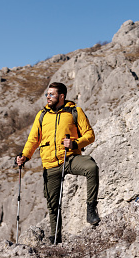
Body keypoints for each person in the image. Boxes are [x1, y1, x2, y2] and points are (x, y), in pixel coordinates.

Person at [16, 82, 100, 244]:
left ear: (61, 96)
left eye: (52, 94)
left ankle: (91, 209)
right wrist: (24, 156)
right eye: (47, 94)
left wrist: (75, 144)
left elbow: (90, 135)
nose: (48, 97)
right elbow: (33, 139)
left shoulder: (75, 111)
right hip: (50, 163)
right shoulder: (42, 115)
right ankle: (56, 238)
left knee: (91, 167)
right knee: (53, 204)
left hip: (70, 158)